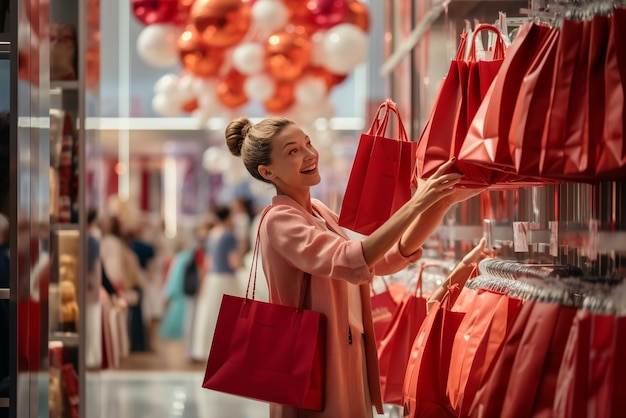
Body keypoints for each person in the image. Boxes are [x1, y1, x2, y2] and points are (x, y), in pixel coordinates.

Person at [225, 116, 483, 418]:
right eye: (292, 151)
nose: (309, 155)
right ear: (267, 171)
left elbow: (383, 259)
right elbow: (353, 258)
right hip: (316, 360)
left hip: (348, 350)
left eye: (307, 143)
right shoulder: (279, 220)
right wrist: (417, 203)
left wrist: (443, 201)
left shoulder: (319, 211)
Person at [189, 206, 244, 362]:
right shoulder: (229, 236)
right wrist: (243, 262)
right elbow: (233, 262)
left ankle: (210, 350)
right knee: (229, 315)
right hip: (226, 279)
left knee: (212, 315)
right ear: (227, 218)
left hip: (212, 279)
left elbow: (207, 263)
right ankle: (229, 350)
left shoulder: (211, 235)